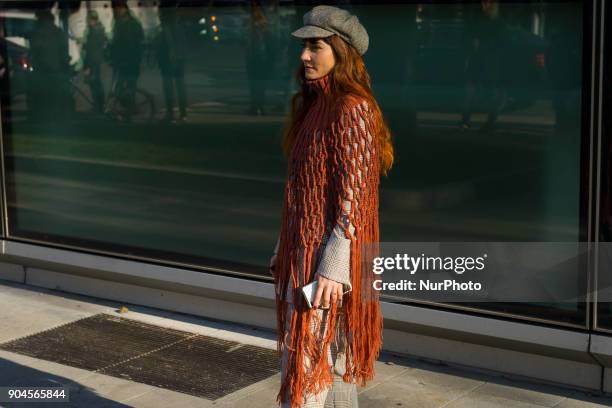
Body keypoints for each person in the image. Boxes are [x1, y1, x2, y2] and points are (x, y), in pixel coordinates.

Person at [269, 5, 394, 407]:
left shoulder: (352, 108)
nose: (305, 56)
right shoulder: (315, 106)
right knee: (324, 363)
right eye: (305, 46)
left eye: (316, 46)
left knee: (306, 367)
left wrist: (333, 266)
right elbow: (302, 191)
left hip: (325, 266)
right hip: (304, 255)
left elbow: (354, 196)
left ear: (341, 52)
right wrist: (281, 246)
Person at [108, 0, 144, 121]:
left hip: (130, 61)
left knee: (128, 87)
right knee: (121, 88)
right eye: (116, 9)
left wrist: (134, 58)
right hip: (121, 61)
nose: (117, 11)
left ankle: (129, 110)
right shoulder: (119, 24)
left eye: (120, 8)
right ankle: (128, 108)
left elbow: (138, 43)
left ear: (125, 9)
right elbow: (116, 43)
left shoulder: (132, 24)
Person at [83, 11, 107, 114]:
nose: (87, 21)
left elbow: (91, 50)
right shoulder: (100, 29)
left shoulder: (94, 31)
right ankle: (100, 105)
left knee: (94, 84)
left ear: (91, 19)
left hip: (92, 61)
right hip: (97, 60)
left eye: (88, 19)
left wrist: (87, 66)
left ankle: (98, 106)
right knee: (97, 83)